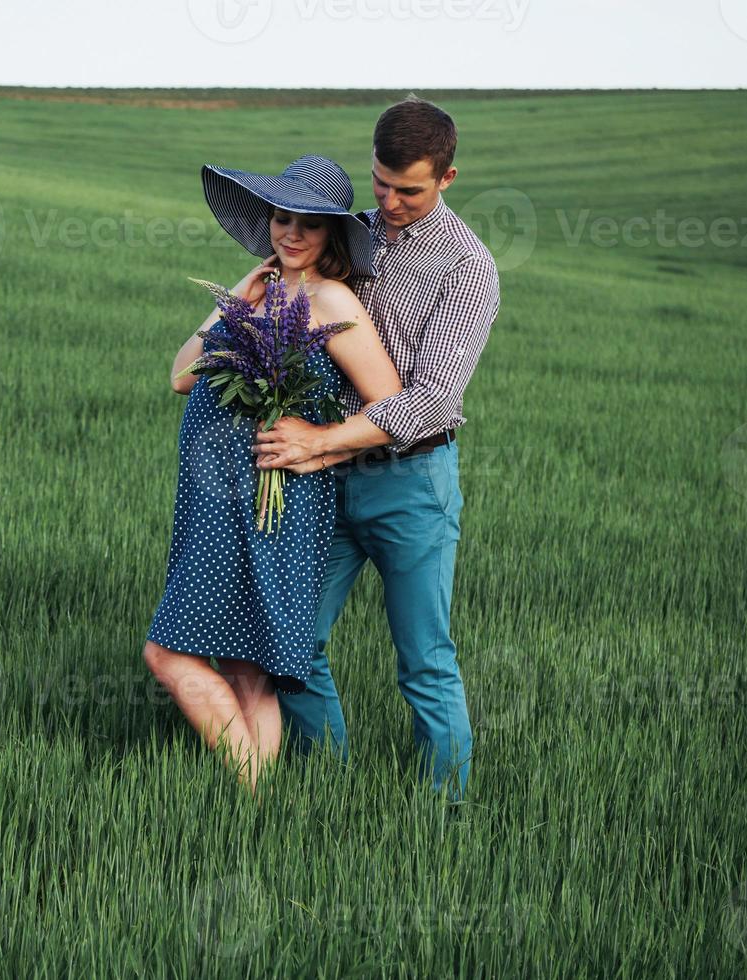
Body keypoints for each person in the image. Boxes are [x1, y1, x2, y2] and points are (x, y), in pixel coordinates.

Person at [252, 97, 502, 802]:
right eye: (379, 183)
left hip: (410, 484)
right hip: (324, 481)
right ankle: (322, 792)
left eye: (409, 190)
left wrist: (320, 440)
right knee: (291, 638)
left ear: (447, 178)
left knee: (422, 660)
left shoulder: (467, 268)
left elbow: (428, 399)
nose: (388, 203)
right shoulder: (350, 235)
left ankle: (442, 817)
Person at [142, 155, 402, 797]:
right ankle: (256, 808)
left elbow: (391, 403)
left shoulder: (330, 299)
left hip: (274, 500)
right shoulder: (263, 292)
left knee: (167, 654)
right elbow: (181, 375)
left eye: (308, 224)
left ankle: (246, 788)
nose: (290, 233)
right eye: (282, 217)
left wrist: (316, 446)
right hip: (215, 499)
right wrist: (236, 301)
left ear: (332, 235)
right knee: (242, 663)